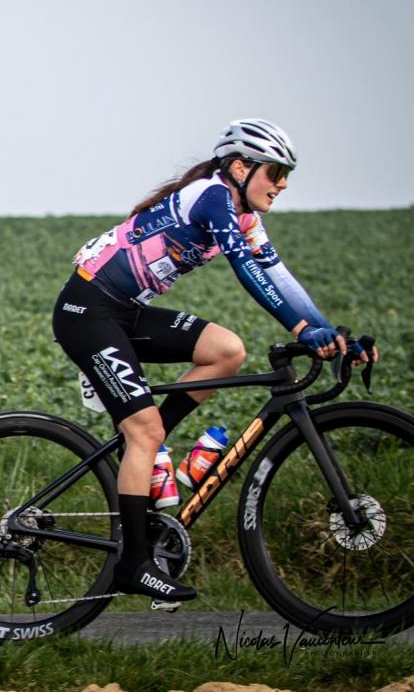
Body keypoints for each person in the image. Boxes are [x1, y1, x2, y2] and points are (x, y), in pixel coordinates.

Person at [50, 119, 376, 603]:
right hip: (87, 312)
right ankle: (133, 563)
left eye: (287, 175)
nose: (282, 184)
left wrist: (332, 333)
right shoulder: (212, 197)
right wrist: (303, 331)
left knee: (226, 352)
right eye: (276, 172)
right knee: (144, 432)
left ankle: (145, 444)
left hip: (126, 312)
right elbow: (246, 268)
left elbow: (278, 276)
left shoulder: (245, 216)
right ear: (241, 168)